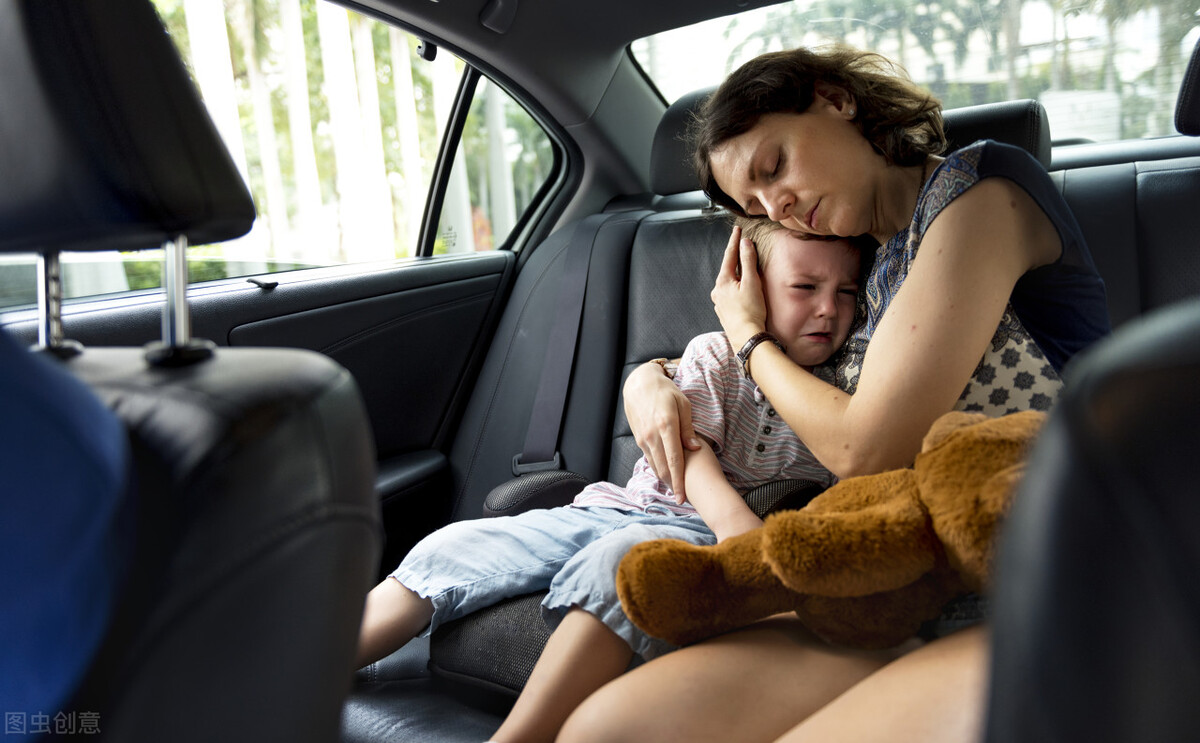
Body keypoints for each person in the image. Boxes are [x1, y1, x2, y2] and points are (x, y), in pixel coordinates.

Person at [557, 44, 1109, 743]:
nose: (776, 204)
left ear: (836, 100)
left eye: (774, 165)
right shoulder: (861, 266)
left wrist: (748, 336)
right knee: (603, 730)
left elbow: (865, 445)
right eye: (752, 202)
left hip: (1036, 575)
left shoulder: (985, 191)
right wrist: (649, 379)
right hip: (894, 584)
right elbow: (725, 375)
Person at [356, 222, 862, 743]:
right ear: (749, 287)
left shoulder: (842, 395)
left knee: (621, 564)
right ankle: (311, 674)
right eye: (806, 288)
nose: (829, 308)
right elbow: (691, 449)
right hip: (623, 507)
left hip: (701, 539)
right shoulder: (714, 354)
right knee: (454, 545)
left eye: (847, 292)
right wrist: (738, 523)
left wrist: (741, 534)